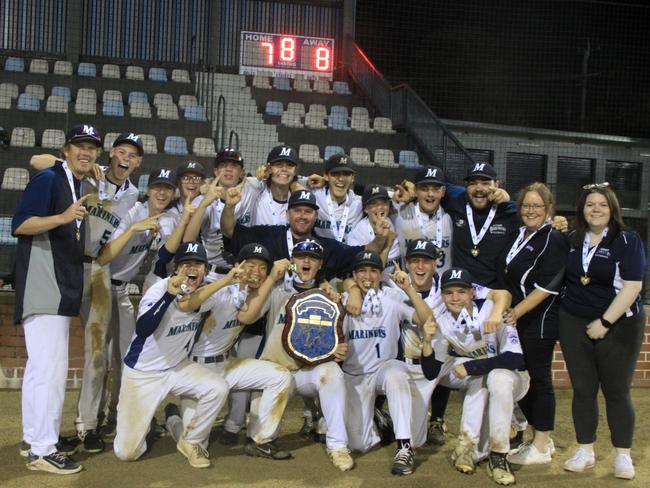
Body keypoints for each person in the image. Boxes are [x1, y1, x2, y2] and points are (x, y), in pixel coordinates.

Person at [12, 123, 101, 474]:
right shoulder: (50, 180)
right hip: (44, 282)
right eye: (80, 146)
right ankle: (45, 449)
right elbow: (20, 223)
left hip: (56, 284)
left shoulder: (73, 182)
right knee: (50, 371)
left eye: (92, 148)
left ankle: (35, 440)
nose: (86, 152)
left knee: (40, 370)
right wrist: (63, 217)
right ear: (66, 150)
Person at [164, 243, 293, 457]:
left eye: (263, 267)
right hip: (196, 369)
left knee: (279, 376)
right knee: (194, 445)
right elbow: (189, 302)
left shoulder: (258, 293)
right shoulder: (218, 288)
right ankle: (173, 418)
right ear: (237, 266)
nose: (256, 272)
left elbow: (247, 315)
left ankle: (261, 439)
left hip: (225, 364)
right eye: (250, 265)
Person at [114, 242, 233, 467]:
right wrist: (168, 296)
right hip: (143, 373)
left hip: (178, 367)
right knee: (127, 453)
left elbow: (191, 303)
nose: (192, 268)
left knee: (217, 388)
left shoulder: (207, 292)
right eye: (186, 263)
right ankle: (146, 424)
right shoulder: (158, 288)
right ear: (176, 269)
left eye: (198, 264)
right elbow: (144, 328)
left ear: (206, 270)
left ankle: (190, 439)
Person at [558, 183, 647, 480]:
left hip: (619, 324)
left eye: (602, 205)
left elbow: (633, 286)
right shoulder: (572, 238)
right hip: (574, 321)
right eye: (589, 204)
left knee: (617, 391)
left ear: (612, 209)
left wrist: (605, 322)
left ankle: (623, 455)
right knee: (583, 390)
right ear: (581, 209)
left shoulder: (627, 239)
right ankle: (585, 450)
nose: (595, 209)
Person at [241, 239, 353, 470]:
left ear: (320, 264)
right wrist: (271, 277)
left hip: (309, 371)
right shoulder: (276, 290)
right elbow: (248, 317)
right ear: (293, 261)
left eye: (312, 258)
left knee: (332, 374)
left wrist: (339, 349)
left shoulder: (329, 296)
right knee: (258, 436)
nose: (306, 261)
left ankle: (338, 445)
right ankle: (265, 435)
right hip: (276, 371)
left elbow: (338, 337)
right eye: (301, 256)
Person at [397, 239, 511, 448]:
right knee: (413, 441)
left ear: (435, 264)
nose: (420, 266)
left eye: (426, 261)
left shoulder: (450, 285)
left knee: (480, 372)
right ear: (407, 263)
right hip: (408, 363)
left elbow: (501, 294)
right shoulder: (395, 287)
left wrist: (496, 312)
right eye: (414, 261)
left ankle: (469, 445)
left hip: (440, 357)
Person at [422, 267, 529, 486]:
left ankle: (499, 457)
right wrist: (426, 341)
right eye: (449, 293)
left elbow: (516, 360)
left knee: (494, 376)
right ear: (442, 296)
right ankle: (467, 447)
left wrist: (472, 366)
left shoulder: (494, 311)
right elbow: (432, 371)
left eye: (461, 292)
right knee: (482, 376)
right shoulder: (443, 321)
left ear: (473, 293)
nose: (455, 298)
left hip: (514, 379)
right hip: (485, 377)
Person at [342, 250, 434, 476]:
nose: (368, 276)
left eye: (373, 271)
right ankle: (379, 417)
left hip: (385, 368)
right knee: (359, 444)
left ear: (381, 274)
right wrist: (351, 290)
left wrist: (408, 289)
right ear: (354, 275)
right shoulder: (343, 300)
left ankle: (404, 447)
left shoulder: (391, 297)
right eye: (362, 270)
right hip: (355, 375)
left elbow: (426, 319)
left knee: (397, 375)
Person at [495, 183, 568, 466]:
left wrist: (516, 312)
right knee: (523, 381)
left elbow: (548, 286)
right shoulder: (519, 234)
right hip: (517, 322)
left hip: (537, 322)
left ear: (548, 210)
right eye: (526, 205)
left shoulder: (554, 238)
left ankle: (540, 444)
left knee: (539, 381)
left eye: (537, 206)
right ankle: (542, 440)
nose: (530, 211)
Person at [221, 188, 392, 279]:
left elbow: (365, 253)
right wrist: (229, 207)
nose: (302, 216)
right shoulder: (268, 235)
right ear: (287, 214)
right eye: (297, 210)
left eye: (308, 212)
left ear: (316, 216)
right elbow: (230, 231)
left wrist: (380, 237)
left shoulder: (327, 247)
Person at [393, 166, 453, 274]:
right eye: (424, 189)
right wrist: (394, 198)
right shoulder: (400, 213)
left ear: (443, 191)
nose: (430, 194)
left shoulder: (451, 217)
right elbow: (377, 205)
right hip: (408, 287)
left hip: (442, 289)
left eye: (436, 189)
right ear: (415, 191)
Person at [346, 184, 401, 279]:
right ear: (366, 209)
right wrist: (387, 245)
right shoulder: (356, 236)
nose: (380, 207)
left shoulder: (396, 222)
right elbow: (371, 277)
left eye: (384, 202)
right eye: (374, 203)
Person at [310, 154, 363, 242]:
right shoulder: (315, 196)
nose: (341, 179)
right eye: (335, 174)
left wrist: (393, 195)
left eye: (346, 174)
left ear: (352, 178)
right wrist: (306, 180)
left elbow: (381, 196)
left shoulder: (360, 203)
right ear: (326, 176)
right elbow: (291, 180)